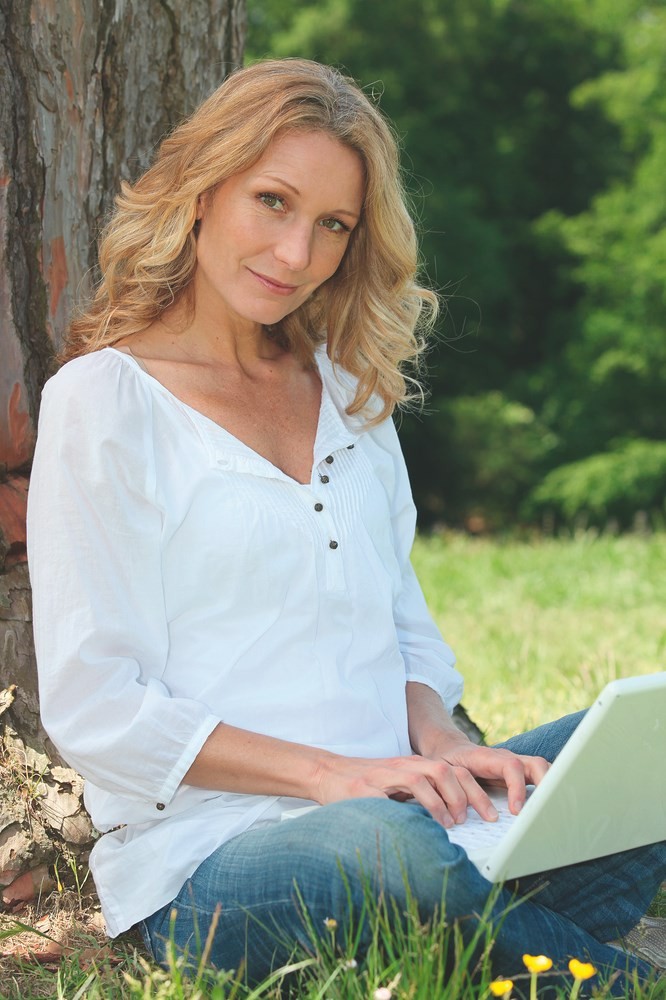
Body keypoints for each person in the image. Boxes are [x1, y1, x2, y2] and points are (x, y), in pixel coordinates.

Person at [27, 59, 664, 994]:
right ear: (202, 191)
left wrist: (443, 744)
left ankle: (487, 933)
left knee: (647, 747)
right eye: (273, 202)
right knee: (385, 856)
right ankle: (597, 973)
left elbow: (401, 623)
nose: (296, 254)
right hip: (216, 861)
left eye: (333, 225)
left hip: (413, 808)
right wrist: (335, 778)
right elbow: (99, 708)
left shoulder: (349, 390)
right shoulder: (104, 402)